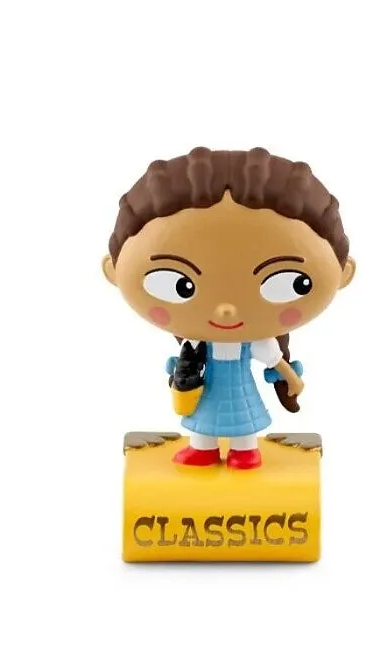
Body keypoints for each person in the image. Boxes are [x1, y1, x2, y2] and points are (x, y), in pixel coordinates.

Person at [102, 147, 355, 469]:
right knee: (203, 423)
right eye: (179, 284)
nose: (226, 310)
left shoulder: (258, 343)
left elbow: (276, 361)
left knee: (243, 423)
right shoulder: (195, 345)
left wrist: (292, 380)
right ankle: (203, 450)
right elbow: (185, 367)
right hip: (206, 395)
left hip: (240, 392)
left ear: (343, 273)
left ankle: (245, 452)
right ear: (113, 271)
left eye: (290, 282)